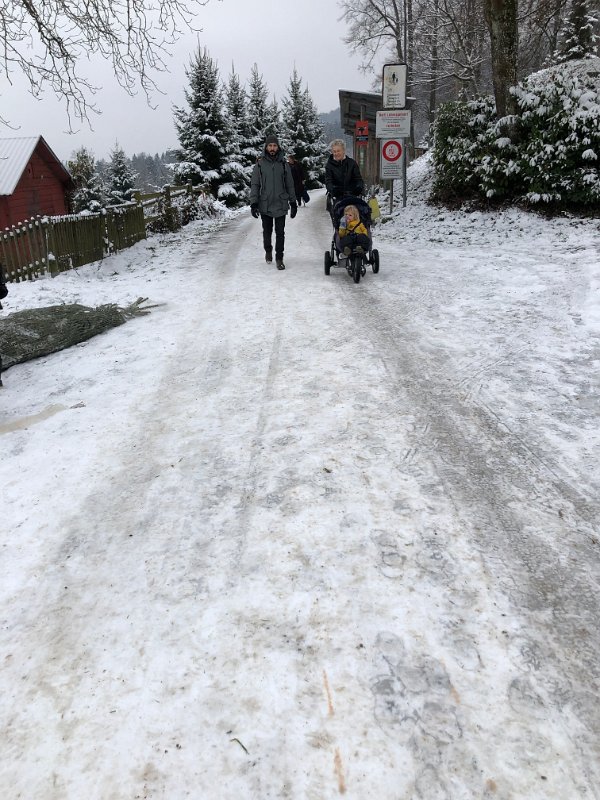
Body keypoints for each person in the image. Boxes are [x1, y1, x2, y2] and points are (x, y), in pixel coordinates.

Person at [250, 135, 297, 270]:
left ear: (278, 147)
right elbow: (255, 184)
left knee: (280, 232)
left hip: (281, 203)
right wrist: (254, 203)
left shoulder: (283, 164)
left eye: (274, 146)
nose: (272, 148)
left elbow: (290, 185)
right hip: (265, 204)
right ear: (266, 147)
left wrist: (293, 202)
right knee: (267, 231)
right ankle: (268, 250)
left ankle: (279, 258)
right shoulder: (259, 165)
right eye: (270, 146)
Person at [325, 139, 365, 213]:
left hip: (352, 195)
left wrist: (358, 188)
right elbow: (328, 181)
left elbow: (358, 179)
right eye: (334, 151)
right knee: (339, 214)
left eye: (338, 151)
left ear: (343, 150)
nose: (336, 153)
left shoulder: (352, 163)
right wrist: (333, 190)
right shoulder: (329, 166)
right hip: (337, 196)